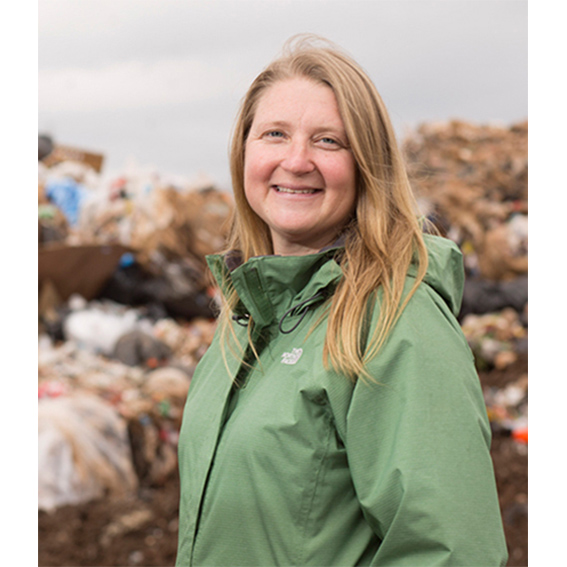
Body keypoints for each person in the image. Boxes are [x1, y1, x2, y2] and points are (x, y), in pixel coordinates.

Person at [176, 35, 508, 567]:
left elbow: (451, 551)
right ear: (245, 150)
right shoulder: (248, 318)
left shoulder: (397, 322)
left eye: (329, 141)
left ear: (366, 164)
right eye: (275, 134)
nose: (297, 160)